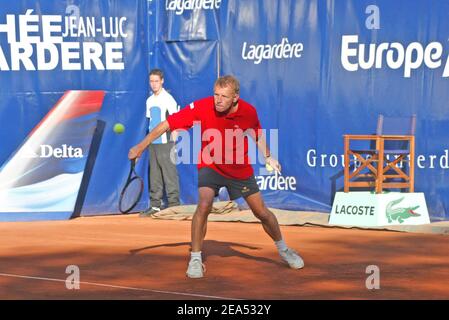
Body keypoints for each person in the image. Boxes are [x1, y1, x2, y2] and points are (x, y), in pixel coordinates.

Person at [129, 75, 304, 278]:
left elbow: (255, 133)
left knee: (261, 212)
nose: (218, 100)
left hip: (238, 167)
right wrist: (141, 146)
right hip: (210, 164)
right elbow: (167, 124)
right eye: (216, 95)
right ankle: (195, 258)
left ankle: (283, 249)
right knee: (204, 205)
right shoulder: (203, 107)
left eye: (224, 96)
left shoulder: (248, 112)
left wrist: (268, 156)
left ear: (235, 98)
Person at [140, 69, 180, 217]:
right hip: (153, 143)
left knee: (170, 174)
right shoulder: (149, 101)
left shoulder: (168, 99)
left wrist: (173, 143)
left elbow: (176, 121)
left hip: (166, 142)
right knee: (154, 174)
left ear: (162, 81)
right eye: (151, 81)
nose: (154, 84)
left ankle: (174, 206)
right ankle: (155, 205)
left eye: (156, 81)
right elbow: (151, 122)